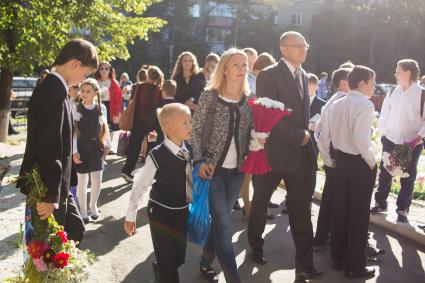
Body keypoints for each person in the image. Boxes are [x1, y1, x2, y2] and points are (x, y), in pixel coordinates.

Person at [247, 31, 323, 281]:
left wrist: (304, 136)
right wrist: (297, 135)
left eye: (306, 45)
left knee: (301, 210)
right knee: (260, 204)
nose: (304, 49)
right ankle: (256, 247)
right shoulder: (268, 75)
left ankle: (305, 263)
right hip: (273, 154)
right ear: (283, 49)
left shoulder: (303, 75)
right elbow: (267, 116)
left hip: (299, 156)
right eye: (298, 45)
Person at [17, 38, 99, 243]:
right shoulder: (52, 91)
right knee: (49, 250)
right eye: (85, 73)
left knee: (74, 231)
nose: (83, 79)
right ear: (75, 65)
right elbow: (49, 146)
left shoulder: (55, 87)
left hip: (56, 184)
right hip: (47, 186)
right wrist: (51, 195)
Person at [190, 48, 252, 283]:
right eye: (236, 65)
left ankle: (206, 262)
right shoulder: (210, 96)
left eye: (244, 65)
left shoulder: (249, 102)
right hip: (211, 171)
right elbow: (194, 132)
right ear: (224, 69)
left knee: (220, 221)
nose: (242, 69)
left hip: (237, 173)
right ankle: (233, 279)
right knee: (224, 228)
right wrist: (199, 161)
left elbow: (249, 136)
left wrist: (258, 142)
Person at [319, 65, 377, 278]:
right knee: (359, 215)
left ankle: (338, 258)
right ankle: (354, 266)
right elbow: (362, 141)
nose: (374, 86)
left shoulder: (337, 103)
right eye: (372, 81)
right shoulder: (365, 105)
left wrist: (328, 158)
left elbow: (323, 135)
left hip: (340, 162)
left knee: (340, 210)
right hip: (359, 163)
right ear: (361, 83)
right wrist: (371, 162)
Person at [124, 103, 193, 283]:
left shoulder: (189, 150)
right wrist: (131, 215)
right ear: (168, 127)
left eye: (190, 121)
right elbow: (139, 185)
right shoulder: (157, 155)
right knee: (169, 265)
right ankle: (164, 271)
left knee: (178, 258)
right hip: (161, 213)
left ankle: (160, 267)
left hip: (182, 210)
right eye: (184, 123)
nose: (190, 126)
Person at [371, 59, 425, 223]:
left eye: (398, 71)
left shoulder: (422, 93)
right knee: (385, 172)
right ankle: (381, 203)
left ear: (407, 73)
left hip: (412, 142)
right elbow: (384, 113)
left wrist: (418, 137)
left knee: (407, 176)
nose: (395, 74)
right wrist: (384, 134)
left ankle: (403, 210)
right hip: (390, 140)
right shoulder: (393, 91)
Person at [314, 68, 351, 249]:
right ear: (344, 82)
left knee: (330, 199)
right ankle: (326, 239)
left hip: (331, 158)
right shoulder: (341, 101)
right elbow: (321, 133)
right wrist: (328, 159)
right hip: (335, 158)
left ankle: (322, 237)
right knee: (334, 200)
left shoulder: (334, 99)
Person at [238, 52, 276, 220]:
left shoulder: (264, 81)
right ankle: (247, 207)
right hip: (247, 129)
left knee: (258, 172)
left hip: (259, 130)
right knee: (247, 172)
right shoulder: (248, 80)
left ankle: (255, 206)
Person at [73, 79, 111, 224]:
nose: (84, 94)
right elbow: (73, 134)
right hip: (81, 149)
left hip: (96, 148)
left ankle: (93, 205)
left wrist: (106, 149)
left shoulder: (101, 108)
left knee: (97, 181)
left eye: (88, 91)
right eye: (82, 91)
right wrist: (74, 152)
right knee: (82, 182)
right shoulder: (76, 108)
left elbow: (104, 129)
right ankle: (82, 210)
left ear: (96, 93)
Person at [121, 66, 163, 182]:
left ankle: (127, 171)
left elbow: (130, 101)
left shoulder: (137, 87)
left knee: (134, 147)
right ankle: (149, 175)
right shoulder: (159, 91)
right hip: (152, 126)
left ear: (147, 75)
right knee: (151, 149)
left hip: (137, 123)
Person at [94, 62, 122, 151]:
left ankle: (112, 149)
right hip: (98, 106)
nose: (104, 71)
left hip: (111, 107)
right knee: (99, 127)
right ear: (98, 70)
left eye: (106, 68)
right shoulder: (95, 82)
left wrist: (117, 113)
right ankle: (100, 146)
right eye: (101, 68)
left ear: (110, 70)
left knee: (114, 128)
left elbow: (119, 100)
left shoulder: (114, 83)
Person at [151, 79, 177, 148]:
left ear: (164, 92)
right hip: (175, 138)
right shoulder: (179, 106)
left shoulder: (158, 105)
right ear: (175, 92)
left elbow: (153, 123)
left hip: (160, 137)